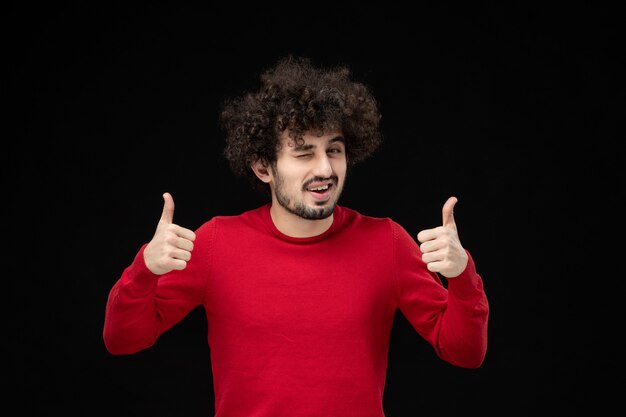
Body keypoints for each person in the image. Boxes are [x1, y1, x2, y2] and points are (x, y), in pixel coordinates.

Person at [103, 56, 489, 417]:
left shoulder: (386, 242)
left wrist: (462, 276)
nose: (325, 168)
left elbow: (465, 352)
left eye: (333, 150)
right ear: (262, 167)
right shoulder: (216, 242)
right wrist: (145, 269)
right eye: (304, 154)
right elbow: (122, 340)